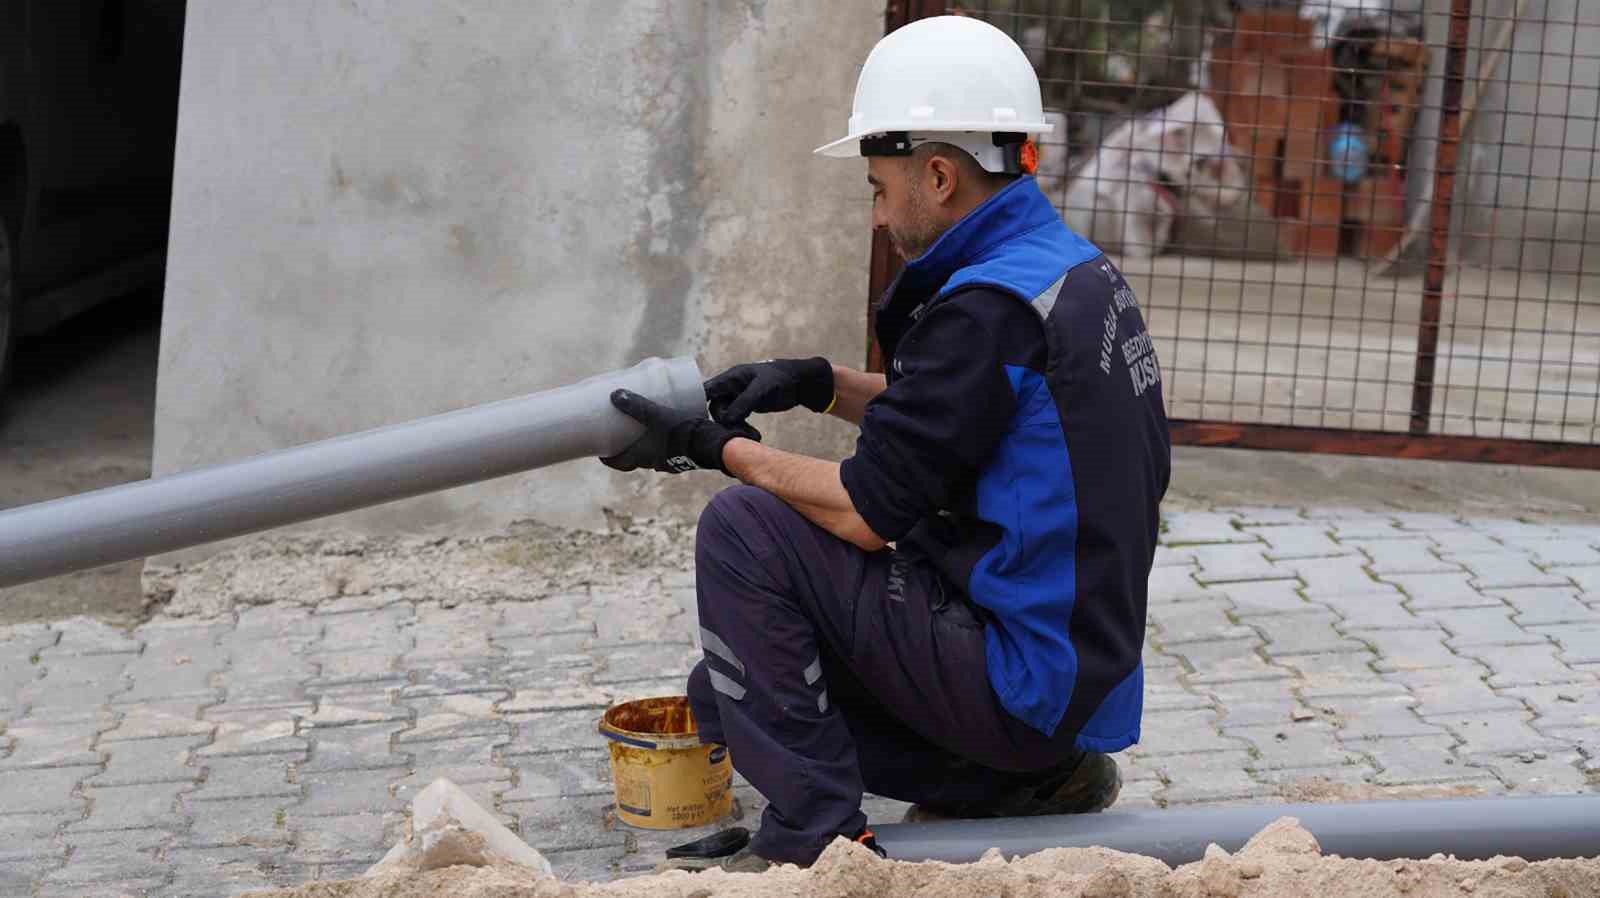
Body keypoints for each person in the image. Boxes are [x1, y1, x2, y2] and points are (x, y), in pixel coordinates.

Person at [601, 14, 1170, 872]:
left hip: (1025, 685)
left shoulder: (985, 310)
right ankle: (1028, 786)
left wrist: (714, 449)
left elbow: (870, 511)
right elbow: (956, 417)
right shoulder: (1063, 272)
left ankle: (816, 839)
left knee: (744, 531)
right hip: (1070, 677)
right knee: (725, 690)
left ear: (937, 174)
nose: (875, 215)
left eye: (878, 186)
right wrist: (815, 380)